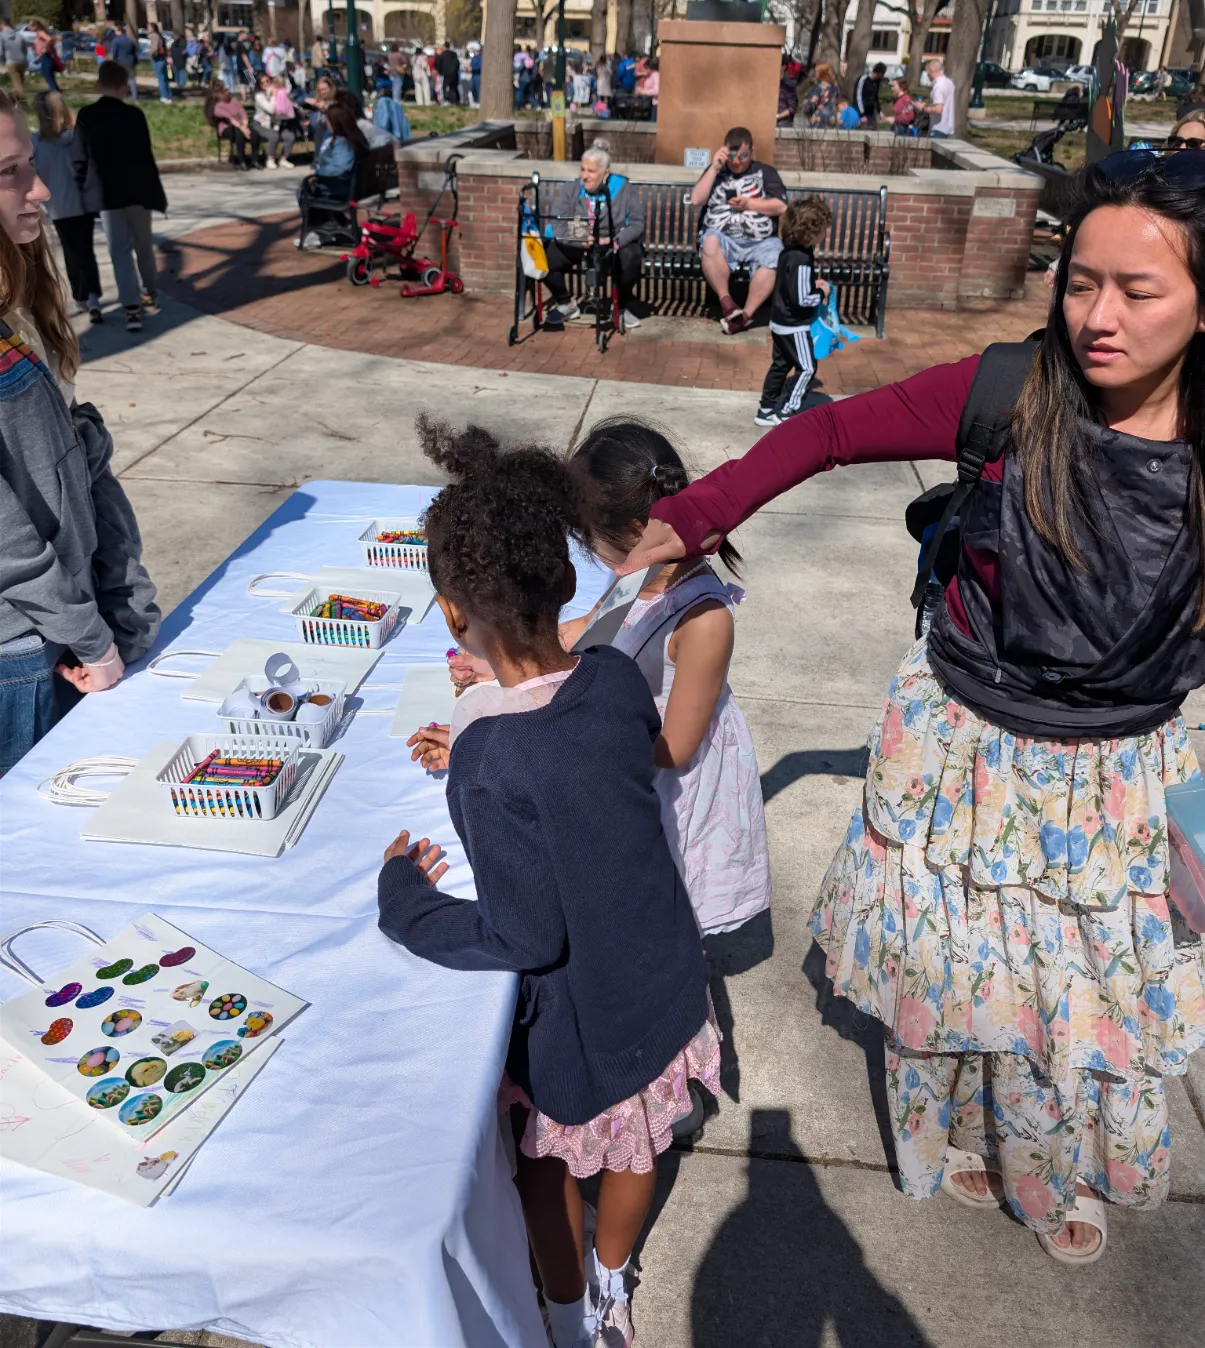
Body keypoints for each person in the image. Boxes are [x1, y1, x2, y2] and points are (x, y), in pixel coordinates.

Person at [616, 149, 1205, 1266]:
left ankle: (1047, 1156)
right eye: (1078, 281)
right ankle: (968, 1140)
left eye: (1137, 290)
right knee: (960, 968)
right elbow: (828, 431)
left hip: (1118, 766)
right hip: (970, 747)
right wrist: (697, 509)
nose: (1096, 316)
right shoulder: (1007, 390)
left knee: (1072, 992)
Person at [381, 416, 717, 1348]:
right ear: (565, 580)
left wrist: (407, 905)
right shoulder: (610, 676)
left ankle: (566, 1320)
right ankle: (614, 1282)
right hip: (659, 983)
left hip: (580, 1027)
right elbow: (576, 765)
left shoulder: (489, 759)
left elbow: (520, 936)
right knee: (638, 1146)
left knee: (545, 1167)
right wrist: (476, 735)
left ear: (453, 613)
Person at [0, 92, 160, 774]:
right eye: (11, 172)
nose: (40, 187)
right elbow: (7, 535)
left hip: (62, 639)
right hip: (24, 655)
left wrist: (124, 609)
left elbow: (82, 471)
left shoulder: (19, 306)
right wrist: (90, 638)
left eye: (32, 163)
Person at [566, 418, 772, 941]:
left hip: (664, 780)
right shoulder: (635, 576)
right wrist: (508, 656)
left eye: (591, 540)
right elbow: (585, 631)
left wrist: (584, 740)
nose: (589, 552)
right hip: (625, 755)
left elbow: (674, 749)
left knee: (663, 907)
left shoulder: (704, 619)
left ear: (639, 535)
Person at [72, 60, 166, 332]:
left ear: (99, 84)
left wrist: (82, 186)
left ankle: (131, 307)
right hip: (137, 191)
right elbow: (146, 157)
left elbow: (79, 157)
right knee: (143, 245)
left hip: (106, 194)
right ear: (125, 86)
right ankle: (149, 289)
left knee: (120, 251)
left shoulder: (87, 116)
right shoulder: (135, 115)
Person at [690, 125, 787, 335]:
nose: (736, 161)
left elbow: (781, 206)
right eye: (732, 155)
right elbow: (696, 199)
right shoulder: (716, 171)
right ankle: (728, 304)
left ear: (751, 151)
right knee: (709, 241)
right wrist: (714, 168)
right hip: (723, 238)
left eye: (742, 155)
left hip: (760, 241)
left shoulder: (766, 172)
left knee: (775, 254)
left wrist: (749, 204)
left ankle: (743, 317)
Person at [541, 140, 646, 330]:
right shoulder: (571, 189)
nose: (584, 176)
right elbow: (558, 221)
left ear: (605, 174)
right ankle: (566, 303)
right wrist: (583, 238)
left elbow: (637, 223)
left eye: (591, 171)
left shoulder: (622, 188)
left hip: (611, 243)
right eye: (582, 169)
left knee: (632, 254)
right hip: (580, 243)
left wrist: (612, 241)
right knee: (546, 254)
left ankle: (620, 308)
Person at [754, 195, 832, 427]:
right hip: (793, 325)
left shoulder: (787, 251)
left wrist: (810, 286)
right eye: (822, 230)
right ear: (811, 232)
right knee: (807, 367)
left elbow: (792, 287)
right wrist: (820, 293)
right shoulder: (802, 258)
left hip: (779, 322)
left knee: (780, 365)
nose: (824, 235)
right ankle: (787, 411)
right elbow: (802, 299)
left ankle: (766, 409)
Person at [33, 91, 101, 323]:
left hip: (58, 206)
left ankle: (80, 296)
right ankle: (93, 296)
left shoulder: (36, 144)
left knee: (71, 253)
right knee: (86, 251)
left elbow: (37, 175)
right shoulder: (76, 137)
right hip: (82, 203)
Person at [296, 94, 365, 248]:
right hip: (352, 186)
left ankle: (320, 231)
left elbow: (340, 168)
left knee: (305, 191)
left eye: (327, 119)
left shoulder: (343, 142)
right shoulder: (352, 137)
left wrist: (317, 174)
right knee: (308, 188)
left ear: (336, 122)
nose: (325, 122)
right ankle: (331, 227)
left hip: (341, 188)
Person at [206, 81, 255, 169]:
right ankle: (241, 161)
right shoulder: (217, 106)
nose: (228, 92)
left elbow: (243, 113)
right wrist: (242, 128)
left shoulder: (233, 101)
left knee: (254, 132)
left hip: (241, 125)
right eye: (225, 91)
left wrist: (245, 124)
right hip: (226, 129)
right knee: (238, 132)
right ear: (219, 94)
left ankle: (255, 160)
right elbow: (230, 118)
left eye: (227, 90)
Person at [924, 56, 955, 137]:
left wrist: (923, 108)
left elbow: (938, 109)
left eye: (927, 72)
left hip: (937, 128)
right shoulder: (948, 82)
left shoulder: (938, 86)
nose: (927, 75)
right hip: (946, 127)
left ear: (931, 70)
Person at [802, 62, 839, 128]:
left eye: (817, 72)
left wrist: (806, 102)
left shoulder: (818, 88)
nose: (815, 74)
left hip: (818, 118)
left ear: (822, 73)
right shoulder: (835, 87)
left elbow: (813, 103)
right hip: (831, 117)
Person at [109, 24, 139, 100]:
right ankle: (135, 96)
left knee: (121, 80)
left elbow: (114, 53)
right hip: (130, 61)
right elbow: (134, 52)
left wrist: (113, 62)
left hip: (120, 62)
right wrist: (135, 61)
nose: (115, 33)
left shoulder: (116, 40)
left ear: (119, 31)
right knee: (132, 79)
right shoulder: (130, 40)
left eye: (116, 31)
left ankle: (121, 95)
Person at [856, 62, 887, 127]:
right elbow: (858, 96)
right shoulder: (864, 79)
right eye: (881, 74)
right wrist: (862, 114)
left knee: (873, 130)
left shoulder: (877, 82)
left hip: (871, 111)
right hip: (862, 110)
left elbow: (875, 97)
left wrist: (879, 111)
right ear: (877, 73)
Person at [0, 16, 25, 96]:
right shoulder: (18, 34)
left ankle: (22, 102)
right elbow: (24, 48)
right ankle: (16, 99)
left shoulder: (1, 35)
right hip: (22, 61)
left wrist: (2, 63)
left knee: (17, 85)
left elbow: (0, 51)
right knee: (20, 83)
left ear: (1, 24)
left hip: (10, 62)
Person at [147, 24, 171, 102]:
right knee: (164, 78)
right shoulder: (160, 35)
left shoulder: (154, 36)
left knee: (161, 78)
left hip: (157, 59)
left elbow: (154, 48)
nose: (147, 28)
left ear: (153, 28)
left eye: (149, 27)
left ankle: (163, 96)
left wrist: (149, 53)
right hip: (162, 58)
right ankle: (168, 95)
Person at [639, 58, 659, 122]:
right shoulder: (651, 76)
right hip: (652, 103)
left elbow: (656, 91)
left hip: (657, 103)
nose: (645, 71)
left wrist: (643, 92)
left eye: (646, 69)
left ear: (649, 69)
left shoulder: (656, 75)